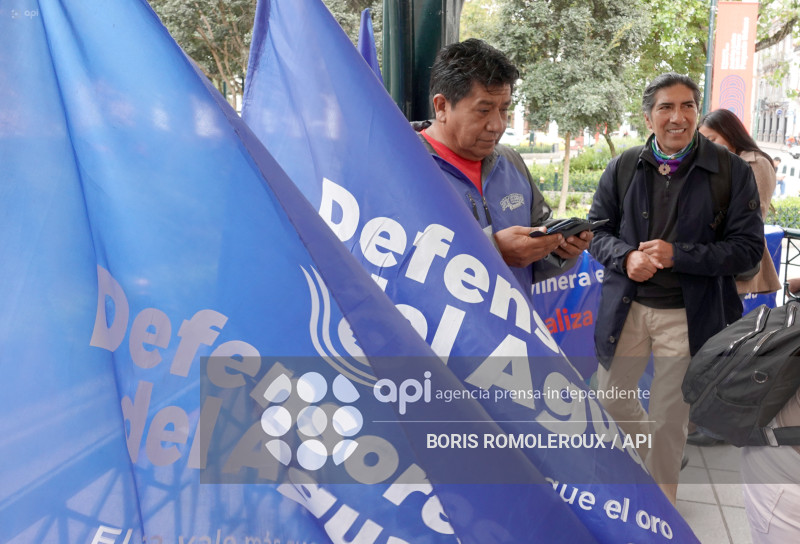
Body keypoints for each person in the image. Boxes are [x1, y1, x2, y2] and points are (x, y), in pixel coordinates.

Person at [587, 73, 763, 504]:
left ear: (697, 113)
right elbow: (596, 231)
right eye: (666, 107)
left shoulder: (730, 171)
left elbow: (747, 251)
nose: (677, 117)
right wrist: (627, 258)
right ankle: (652, 465)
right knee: (609, 399)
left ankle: (661, 507)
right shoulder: (624, 166)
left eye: (687, 106)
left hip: (690, 316)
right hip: (627, 309)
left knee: (669, 418)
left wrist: (676, 255)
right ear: (649, 117)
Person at [412, 39, 591, 292]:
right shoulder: (403, 165)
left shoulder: (511, 162)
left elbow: (537, 246)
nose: (497, 125)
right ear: (442, 107)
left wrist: (561, 249)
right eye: (483, 110)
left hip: (510, 328)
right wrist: (493, 252)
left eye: (504, 109)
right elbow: (392, 259)